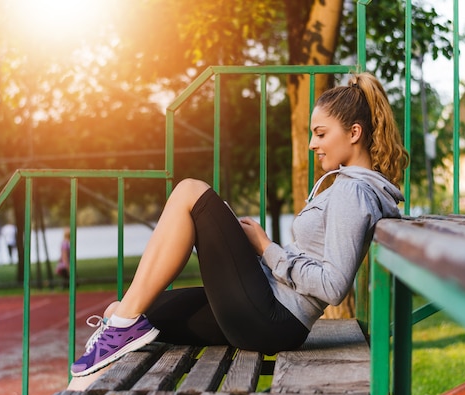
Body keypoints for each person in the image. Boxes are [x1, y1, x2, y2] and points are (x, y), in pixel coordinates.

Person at [71, 72, 409, 377]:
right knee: (128, 310)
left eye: (321, 134)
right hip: (262, 305)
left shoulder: (352, 192)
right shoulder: (349, 186)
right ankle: (117, 332)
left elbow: (334, 286)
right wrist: (259, 250)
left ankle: (116, 333)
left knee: (190, 191)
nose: (311, 144)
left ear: (354, 133)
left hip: (272, 318)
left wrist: (266, 248)